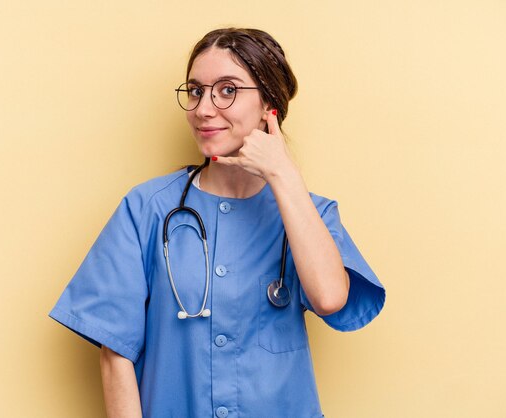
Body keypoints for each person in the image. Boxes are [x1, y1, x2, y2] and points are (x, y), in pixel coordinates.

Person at [49, 27, 385, 418]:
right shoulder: (147, 208)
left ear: (268, 105)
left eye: (227, 90)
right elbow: (115, 353)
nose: (204, 109)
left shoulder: (311, 214)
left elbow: (330, 298)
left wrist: (284, 176)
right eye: (195, 91)